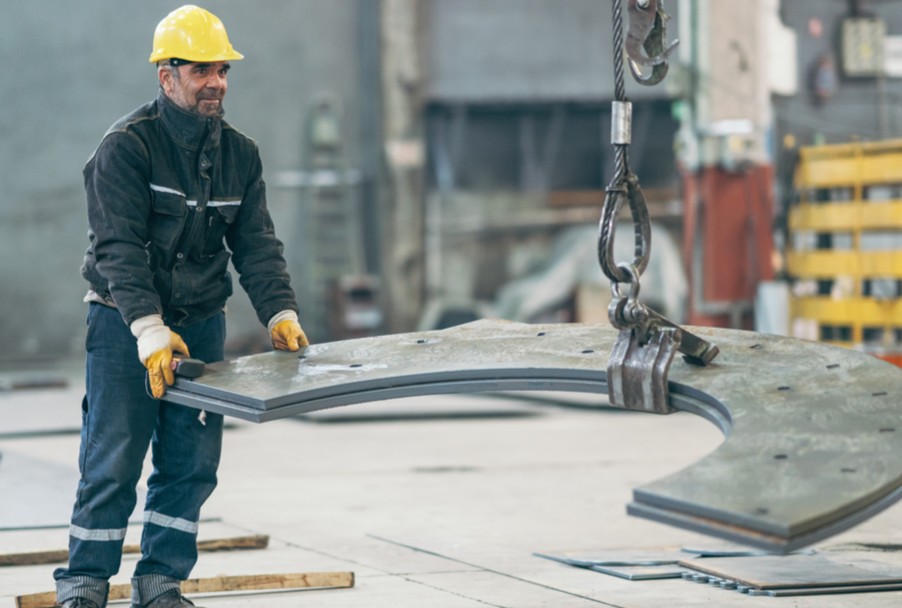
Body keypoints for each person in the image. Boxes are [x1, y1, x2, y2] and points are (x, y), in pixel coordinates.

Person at [53, 6, 308, 607]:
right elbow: (118, 249)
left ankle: (161, 583)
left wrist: (280, 312)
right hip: (123, 326)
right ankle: (84, 585)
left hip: (202, 325)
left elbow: (256, 243)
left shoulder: (240, 155)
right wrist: (147, 329)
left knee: (190, 464)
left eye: (221, 69)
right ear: (166, 77)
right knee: (113, 459)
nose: (215, 81)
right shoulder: (125, 149)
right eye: (201, 70)